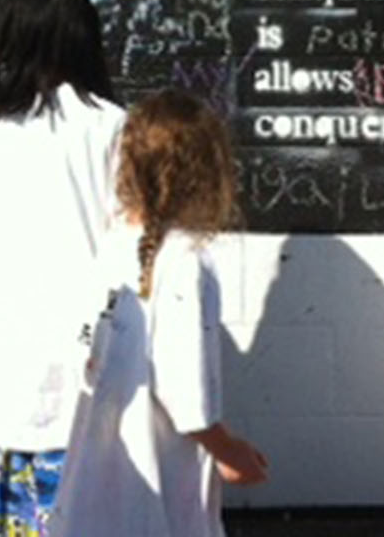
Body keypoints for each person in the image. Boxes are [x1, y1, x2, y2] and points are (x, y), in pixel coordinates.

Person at [49, 90, 267, 537]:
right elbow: (186, 396)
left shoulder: (109, 246)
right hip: (159, 487)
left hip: (96, 482)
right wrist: (228, 451)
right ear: (206, 174)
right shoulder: (185, 261)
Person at [0, 0, 127, 536]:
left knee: (4, 522)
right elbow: (124, 239)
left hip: (8, 362)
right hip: (87, 363)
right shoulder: (111, 125)